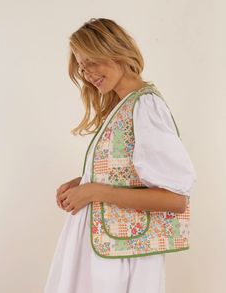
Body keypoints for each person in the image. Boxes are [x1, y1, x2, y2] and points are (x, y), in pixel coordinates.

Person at [44, 18, 197, 293]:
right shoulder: (125, 106)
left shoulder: (145, 106)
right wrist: (84, 181)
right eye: (81, 66)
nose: (86, 73)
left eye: (90, 61)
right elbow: (128, 173)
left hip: (119, 258)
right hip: (105, 250)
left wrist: (93, 191)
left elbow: (174, 199)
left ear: (115, 50)